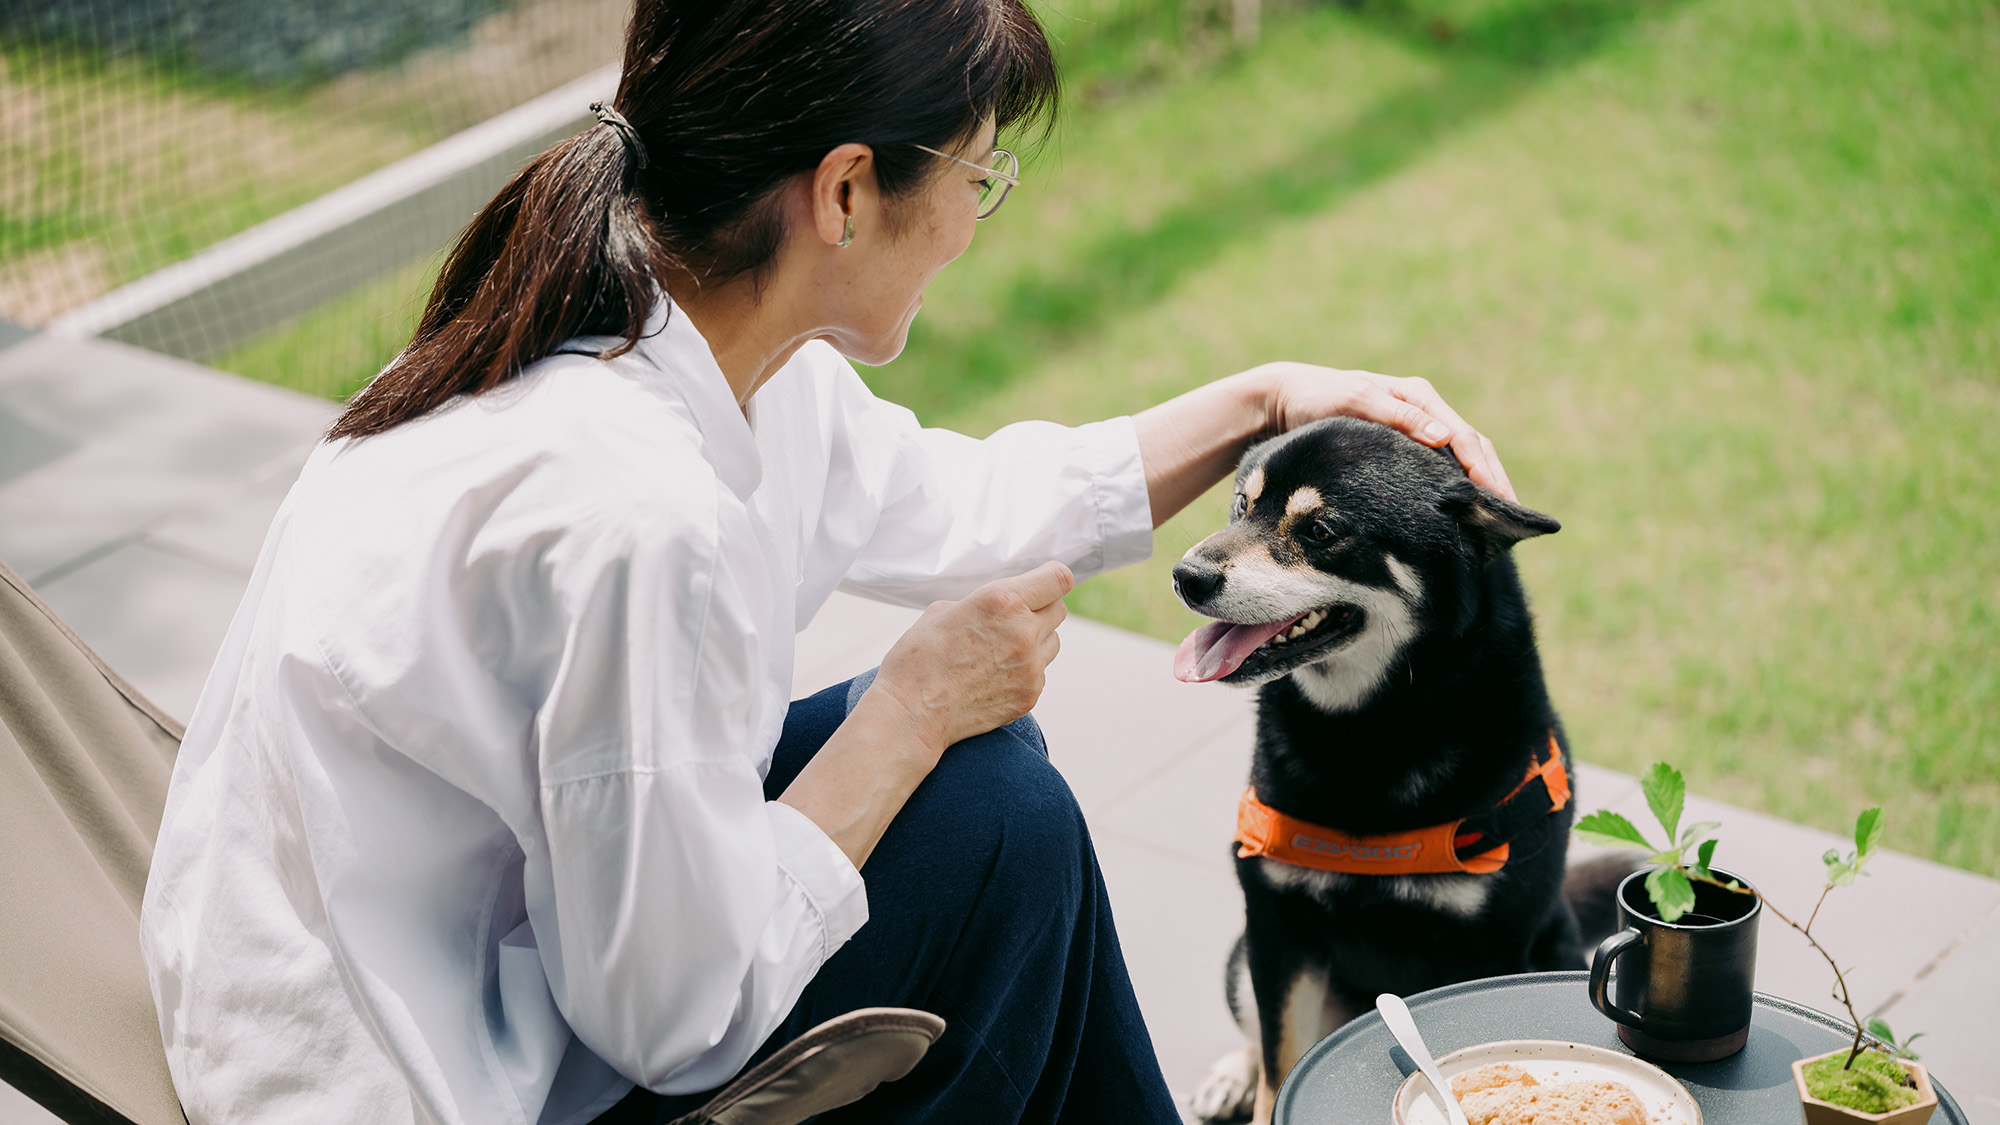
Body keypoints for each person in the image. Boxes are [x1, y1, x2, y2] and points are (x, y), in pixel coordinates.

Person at [138, 2, 1515, 1123]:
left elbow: (975, 498)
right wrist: (909, 707)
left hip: (466, 947)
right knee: (999, 818)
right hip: (413, 1079)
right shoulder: (634, 515)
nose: (981, 213)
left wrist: (1264, 399)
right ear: (849, 190)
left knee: (997, 785)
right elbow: (669, 1018)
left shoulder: (657, 335)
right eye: (980, 174)